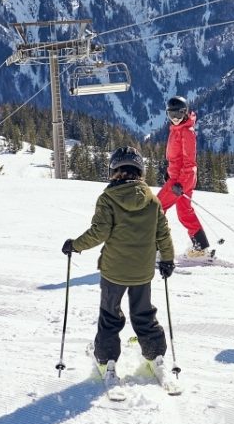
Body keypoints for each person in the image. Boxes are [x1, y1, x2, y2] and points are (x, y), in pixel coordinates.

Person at [61, 146, 176, 372]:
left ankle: (107, 359)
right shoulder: (153, 201)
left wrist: (75, 245)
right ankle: (156, 355)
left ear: (113, 170)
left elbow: (99, 232)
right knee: (143, 314)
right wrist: (167, 260)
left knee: (110, 315)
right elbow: (163, 234)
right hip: (143, 272)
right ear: (140, 171)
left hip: (114, 271)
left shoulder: (108, 199)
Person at [157, 96, 210, 257]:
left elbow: (189, 163)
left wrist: (180, 183)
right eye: (171, 115)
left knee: (156, 207)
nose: (175, 118)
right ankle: (200, 246)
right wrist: (169, 172)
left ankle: (155, 246)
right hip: (179, 178)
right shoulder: (176, 129)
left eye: (178, 115)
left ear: (185, 113)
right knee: (185, 212)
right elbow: (176, 158)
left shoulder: (186, 132)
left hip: (181, 180)